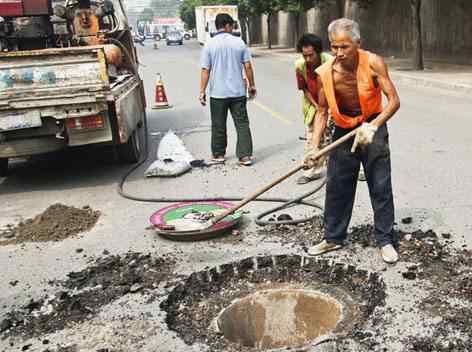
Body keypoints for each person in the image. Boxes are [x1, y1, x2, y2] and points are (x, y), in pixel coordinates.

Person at [304, 18, 401, 263]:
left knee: (380, 185)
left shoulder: (373, 63)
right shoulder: (325, 73)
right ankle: (333, 238)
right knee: (337, 185)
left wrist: (374, 126)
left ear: (358, 43)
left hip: (372, 125)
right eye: (334, 47)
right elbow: (322, 112)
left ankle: (385, 240)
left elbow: (394, 101)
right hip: (343, 130)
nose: (338, 53)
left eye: (344, 47)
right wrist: (315, 147)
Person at [199, 13, 256, 166]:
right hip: (237, 92)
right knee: (242, 123)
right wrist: (251, 85)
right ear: (227, 26)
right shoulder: (239, 43)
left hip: (218, 93)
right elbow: (248, 66)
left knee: (218, 124)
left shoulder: (209, 45)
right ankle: (245, 156)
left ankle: (218, 154)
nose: (232, 29)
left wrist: (202, 91)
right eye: (232, 26)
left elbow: (205, 70)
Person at [295, 34, 333, 184]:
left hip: (333, 103)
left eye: (311, 55)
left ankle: (346, 170)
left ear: (319, 52)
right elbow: (304, 89)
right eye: (305, 56)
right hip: (313, 104)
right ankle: (312, 170)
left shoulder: (330, 63)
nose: (308, 59)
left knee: (334, 139)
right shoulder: (300, 65)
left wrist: (328, 110)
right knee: (312, 138)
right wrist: (318, 107)